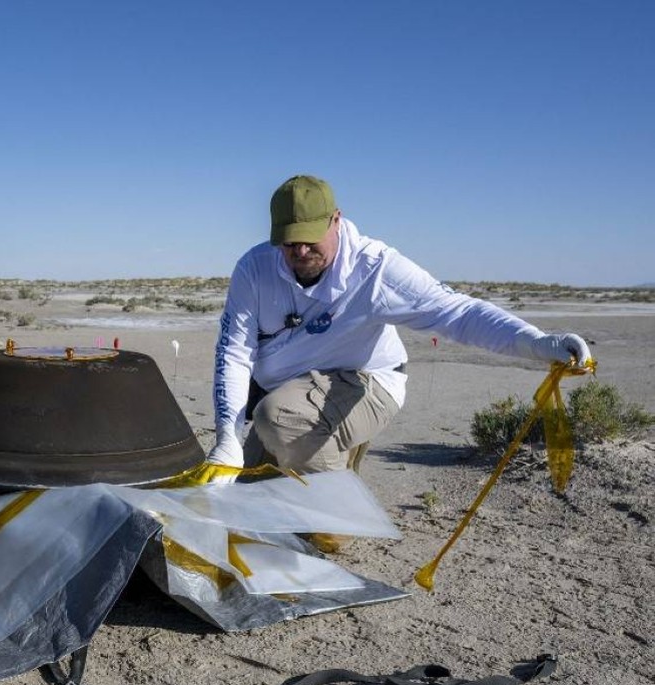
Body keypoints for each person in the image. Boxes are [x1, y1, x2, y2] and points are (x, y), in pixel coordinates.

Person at [209, 175, 592, 474]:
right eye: (290, 242)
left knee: (277, 420)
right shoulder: (254, 268)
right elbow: (235, 351)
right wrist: (227, 435)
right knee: (250, 486)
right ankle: (323, 456)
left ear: (336, 221)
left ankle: (339, 517)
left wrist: (537, 343)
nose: (300, 252)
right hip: (290, 390)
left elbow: (458, 313)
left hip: (366, 381)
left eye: (310, 240)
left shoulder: (376, 269)